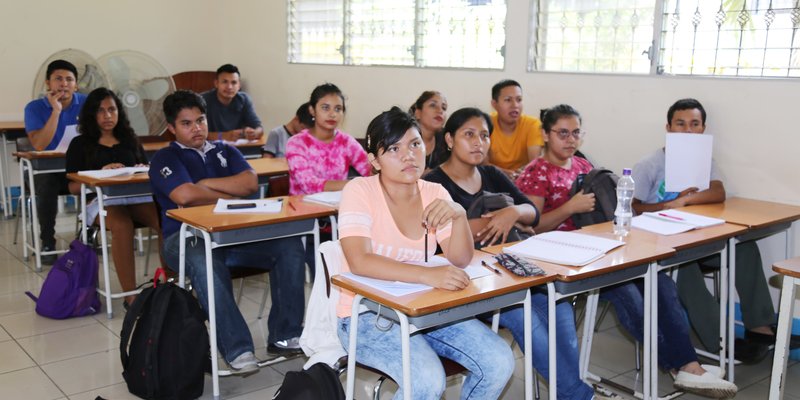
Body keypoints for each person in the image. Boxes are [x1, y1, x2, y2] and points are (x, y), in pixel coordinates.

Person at [515, 104, 737, 398]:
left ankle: (689, 364)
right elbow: (532, 227)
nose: (570, 140)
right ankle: (681, 366)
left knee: (661, 283)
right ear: (545, 134)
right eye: (562, 133)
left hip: (600, 248)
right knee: (628, 294)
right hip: (562, 259)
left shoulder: (583, 167)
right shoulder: (536, 173)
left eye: (576, 133)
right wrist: (570, 207)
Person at [423, 107, 601, 399]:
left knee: (560, 307)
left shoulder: (491, 174)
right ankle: (577, 394)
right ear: (450, 139)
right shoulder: (433, 183)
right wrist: (491, 222)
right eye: (469, 134)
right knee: (522, 313)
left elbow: (530, 212)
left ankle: (570, 392)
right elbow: (438, 238)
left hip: (511, 269)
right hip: (469, 280)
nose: (479, 142)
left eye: (484, 135)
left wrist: (512, 213)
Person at [337, 107, 514, 399]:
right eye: (394, 148)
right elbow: (359, 260)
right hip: (366, 314)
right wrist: (427, 274)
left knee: (499, 361)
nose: (408, 156)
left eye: (415, 144)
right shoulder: (360, 190)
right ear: (374, 160)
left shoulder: (435, 193)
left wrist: (458, 215)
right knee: (427, 379)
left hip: (424, 308)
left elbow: (460, 258)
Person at [149, 90, 305, 375]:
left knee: (290, 245)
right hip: (184, 239)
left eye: (201, 120)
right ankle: (237, 348)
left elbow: (249, 184)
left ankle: (285, 334)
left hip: (234, 237)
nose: (197, 128)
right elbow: (184, 194)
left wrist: (204, 184)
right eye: (187, 123)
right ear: (171, 127)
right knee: (206, 260)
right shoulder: (165, 158)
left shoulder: (225, 150)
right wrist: (223, 192)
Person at [632, 98, 791, 362]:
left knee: (745, 249)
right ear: (668, 128)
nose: (688, 130)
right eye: (680, 124)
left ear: (703, 128)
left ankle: (759, 326)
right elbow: (633, 207)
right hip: (659, 245)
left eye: (695, 124)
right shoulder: (649, 164)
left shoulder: (704, 159)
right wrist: (667, 205)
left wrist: (684, 201)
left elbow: (718, 192)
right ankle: (719, 339)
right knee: (685, 270)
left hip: (697, 237)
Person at [66, 88, 162, 307]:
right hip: (101, 201)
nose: (107, 116)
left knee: (164, 218)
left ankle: (170, 286)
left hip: (135, 198)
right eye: (101, 111)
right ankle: (130, 295)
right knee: (122, 225)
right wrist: (102, 174)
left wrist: (140, 168)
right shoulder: (80, 144)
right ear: (92, 114)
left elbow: (148, 169)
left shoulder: (130, 140)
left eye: (112, 109)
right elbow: (72, 187)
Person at [24, 59, 86, 264]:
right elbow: (40, 145)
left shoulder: (87, 104)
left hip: (76, 167)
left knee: (94, 181)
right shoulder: (34, 108)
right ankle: (48, 240)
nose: (64, 84)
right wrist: (56, 111)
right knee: (47, 184)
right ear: (47, 84)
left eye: (69, 79)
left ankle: (89, 235)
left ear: (76, 84)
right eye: (58, 79)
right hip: (46, 171)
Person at [285, 83, 370, 195]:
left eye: (338, 109)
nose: (332, 114)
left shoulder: (347, 142)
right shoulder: (297, 143)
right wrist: (355, 184)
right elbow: (309, 185)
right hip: (302, 209)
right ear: (312, 110)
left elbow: (369, 172)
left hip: (339, 208)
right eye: (325, 108)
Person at [487, 79, 543, 179]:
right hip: (492, 177)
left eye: (519, 100)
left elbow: (534, 162)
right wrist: (505, 173)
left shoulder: (532, 124)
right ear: (494, 104)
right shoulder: (486, 123)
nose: (515, 105)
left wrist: (518, 175)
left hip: (523, 178)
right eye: (508, 100)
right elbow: (482, 163)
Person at [201, 64, 264, 142]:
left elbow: (259, 128)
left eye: (234, 82)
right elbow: (199, 133)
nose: (229, 87)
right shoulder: (202, 100)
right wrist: (224, 136)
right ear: (216, 83)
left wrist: (254, 133)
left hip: (238, 147)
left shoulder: (244, 99)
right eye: (225, 82)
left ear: (239, 85)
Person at [409, 90, 448, 170]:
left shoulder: (447, 140)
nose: (440, 111)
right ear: (418, 113)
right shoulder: (402, 138)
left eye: (444, 108)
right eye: (433, 105)